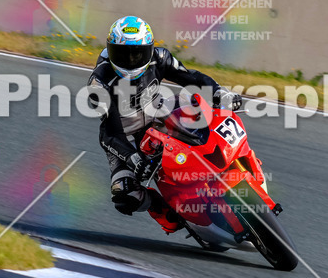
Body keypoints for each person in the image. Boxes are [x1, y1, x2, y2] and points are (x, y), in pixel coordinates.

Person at [86, 15, 241, 233]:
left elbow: (192, 78)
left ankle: (231, 161)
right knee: (124, 193)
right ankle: (166, 211)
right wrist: (132, 157)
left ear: (149, 49)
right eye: (122, 54)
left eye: (137, 54)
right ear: (110, 50)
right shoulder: (99, 83)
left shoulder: (160, 57)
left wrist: (219, 92)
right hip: (125, 135)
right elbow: (110, 133)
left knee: (202, 114)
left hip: (158, 112)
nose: (130, 61)